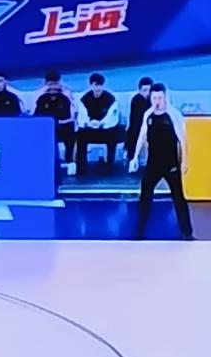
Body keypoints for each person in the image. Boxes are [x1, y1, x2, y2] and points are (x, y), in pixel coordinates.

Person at [131, 83, 193, 239]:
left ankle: (187, 233)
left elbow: (182, 140)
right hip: (153, 163)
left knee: (178, 198)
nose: (157, 101)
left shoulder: (173, 115)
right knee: (144, 197)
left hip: (171, 164)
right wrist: (135, 157)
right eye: (154, 98)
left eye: (160, 98)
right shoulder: (148, 114)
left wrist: (184, 162)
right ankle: (138, 233)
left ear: (165, 97)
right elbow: (142, 136)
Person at [73, 73, 125, 175]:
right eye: (95, 85)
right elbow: (81, 117)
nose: (98, 88)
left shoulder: (111, 99)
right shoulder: (84, 99)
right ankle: (81, 168)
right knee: (80, 135)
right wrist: (90, 123)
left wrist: (101, 123)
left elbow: (112, 118)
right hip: (90, 129)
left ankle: (110, 167)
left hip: (106, 130)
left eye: (100, 85)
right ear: (91, 86)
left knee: (114, 134)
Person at [34, 71, 76, 165]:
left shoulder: (67, 94)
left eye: (55, 83)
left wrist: (59, 122)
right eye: (50, 84)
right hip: (46, 127)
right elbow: (36, 115)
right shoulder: (40, 96)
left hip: (63, 126)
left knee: (71, 133)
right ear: (46, 84)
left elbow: (72, 116)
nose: (53, 86)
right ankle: (47, 161)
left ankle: (69, 161)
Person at [126, 77, 154, 160]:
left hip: (154, 124)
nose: (147, 93)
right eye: (144, 90)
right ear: (139, 90)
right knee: (132, 133)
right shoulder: (135, 100)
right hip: (139, 125)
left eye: (149, 90)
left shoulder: (156, 98)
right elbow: (133, 119)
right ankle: (132, 159)